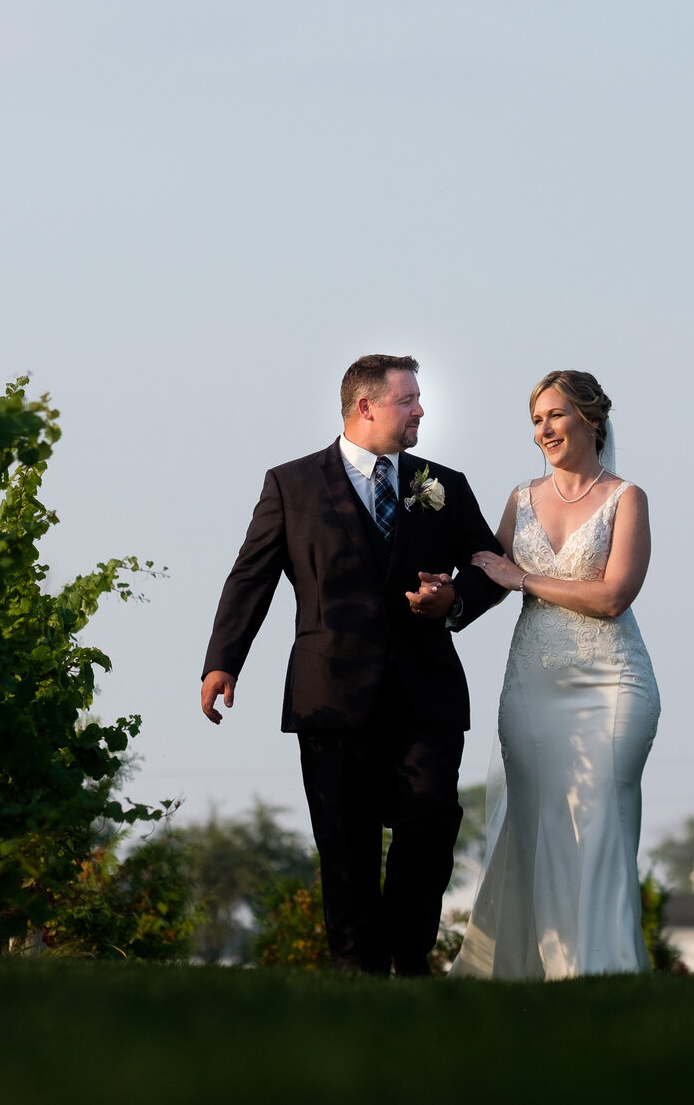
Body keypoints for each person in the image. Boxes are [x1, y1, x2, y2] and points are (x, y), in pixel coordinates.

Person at [199, 354, 508, 975]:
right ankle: (355, 969)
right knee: (345, 839)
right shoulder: (291, 485)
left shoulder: (443, 483)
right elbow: (250, 577)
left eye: (419, 399)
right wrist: (222, 661)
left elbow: (489, 564)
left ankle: (408, 952)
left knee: (432, 821)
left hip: (426, 693)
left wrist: (454, 600)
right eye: (408, 400)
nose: (421, 409)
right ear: (365, 407)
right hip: (330, 693)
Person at [451, 369, 659, 979]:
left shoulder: (628, 498)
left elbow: (614, 595)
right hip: (532, 687)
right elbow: (488, 577)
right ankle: (540, 968)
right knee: (538, 821)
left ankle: (605, 969)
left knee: (600, 818)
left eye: (556, 416)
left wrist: (525, 580)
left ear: (591, 420)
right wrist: (448, 600)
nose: (544, 430)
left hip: (613, 684)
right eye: (537, 420)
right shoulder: (521, 498)